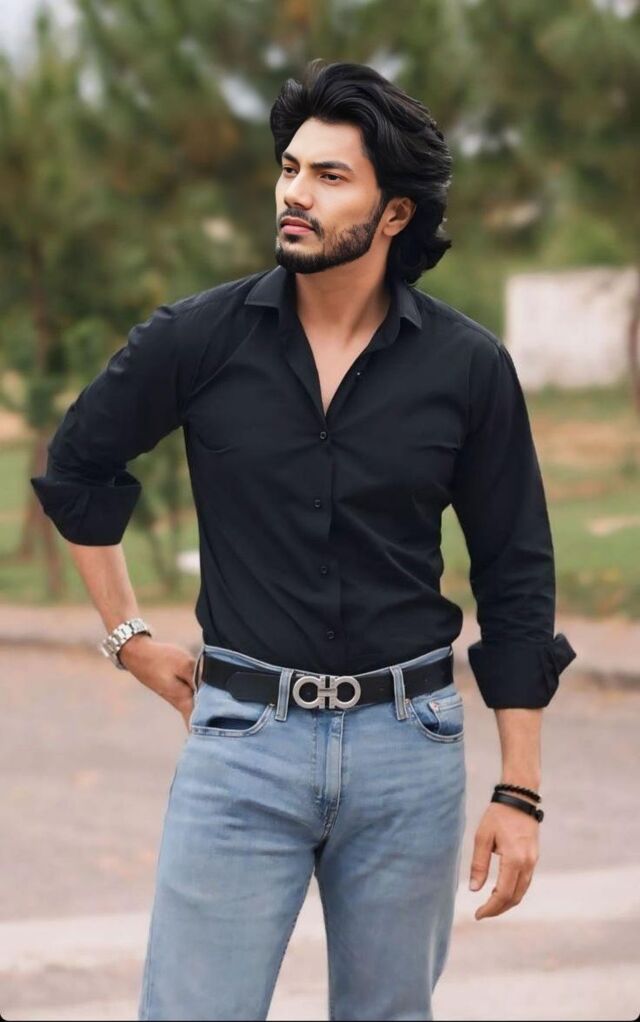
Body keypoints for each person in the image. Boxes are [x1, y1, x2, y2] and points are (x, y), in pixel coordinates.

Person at [31, 59, 576, 1021]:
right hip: (242, 744)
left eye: (330, 176)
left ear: (394, 213)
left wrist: (519, 792)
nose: (295, 193)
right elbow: (78, 467)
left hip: (410, 752)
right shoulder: (199, 339)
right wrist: (129, 639)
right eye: (290, 168)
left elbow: (516, 574)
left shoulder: (468, 368)